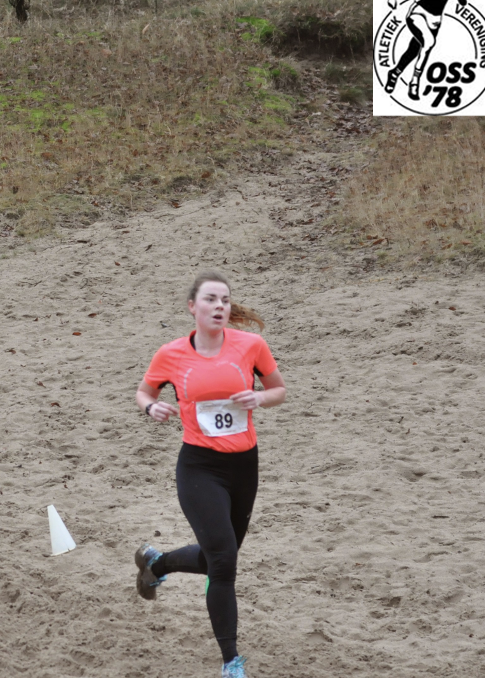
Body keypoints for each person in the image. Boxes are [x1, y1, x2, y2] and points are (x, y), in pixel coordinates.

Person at [132, 272, 287, 678]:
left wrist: (259, 396)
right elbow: (144, 392)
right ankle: (231, 661)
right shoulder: (171, 354)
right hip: (199, 467)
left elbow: (279, 390)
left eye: (225, 300)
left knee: (222, 555)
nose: (219, 306)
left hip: (244, 466)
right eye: (211, 299)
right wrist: (152, 408)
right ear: (193, 307)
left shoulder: (251, 345)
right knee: (223, 561)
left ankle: (158, 563)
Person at [384, 0, 467, 100]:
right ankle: (414, 82)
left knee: (413, 50)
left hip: (435, 21)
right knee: (429, 43)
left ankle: (394, 73)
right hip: (418, 13)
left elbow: (462, 2)